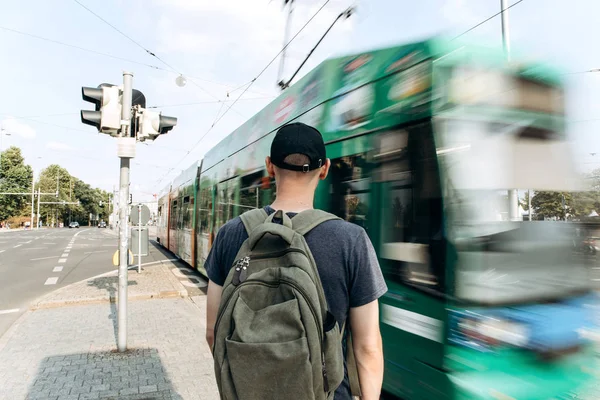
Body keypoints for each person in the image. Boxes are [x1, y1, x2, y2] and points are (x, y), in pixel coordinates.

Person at [205, 122, 387, 400]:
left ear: (269, 166)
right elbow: (367, 348)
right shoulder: (352, 240)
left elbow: (213, 333)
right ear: (324, 169)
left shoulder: (231, 233)